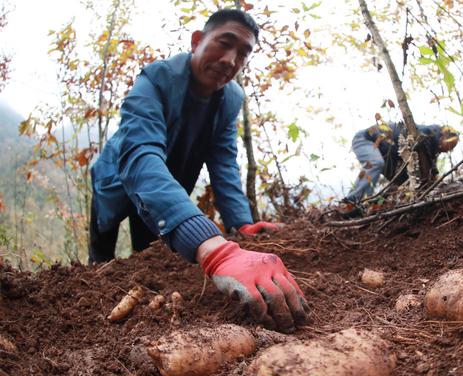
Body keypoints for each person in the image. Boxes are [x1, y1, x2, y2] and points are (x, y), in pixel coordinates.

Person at [89, 9, 308, 333]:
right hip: (119, 179)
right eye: (224, 43)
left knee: (146, 256)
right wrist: (214, 250)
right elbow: (141, 155)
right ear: (196, 41)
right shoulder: (156, 79)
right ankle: (91, 318)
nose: (230, 59)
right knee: (101, 262)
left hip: (166, 192)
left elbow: (223, 161)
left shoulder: (230, 99)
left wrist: (241, 222)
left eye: (243, 54)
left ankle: (137, 323)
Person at [342, 121, 459, 212]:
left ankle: (370, 204)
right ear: (443, 136)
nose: (448, 150)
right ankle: (350, 202)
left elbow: (429, 173)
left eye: (452, 148)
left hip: (386, 151)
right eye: (450, 145)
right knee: (375, 163)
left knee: (401, 182)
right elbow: (427, 170)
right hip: (365, 139)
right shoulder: (425, 134)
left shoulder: (432, 146)